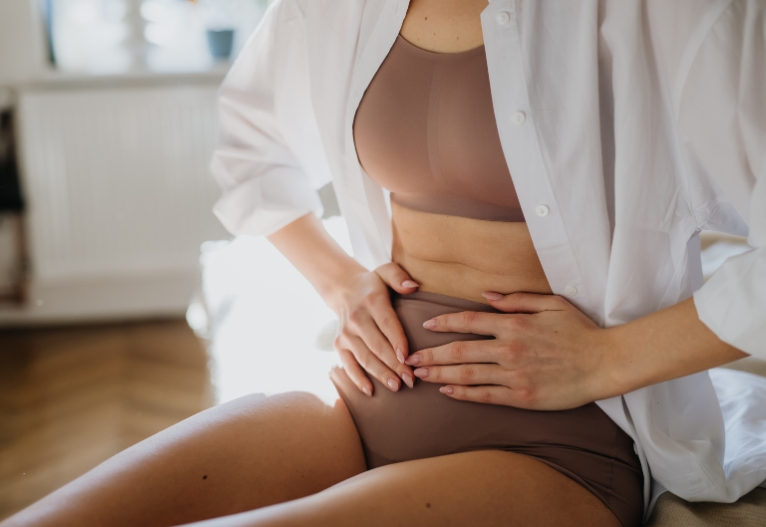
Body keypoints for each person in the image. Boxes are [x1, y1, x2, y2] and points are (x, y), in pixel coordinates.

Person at [3, 0, 765, 526]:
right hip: (365, 394)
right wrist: (341, 282)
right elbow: (251, 150)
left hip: (561, 441)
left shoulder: (664, 14)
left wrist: (604, 360)